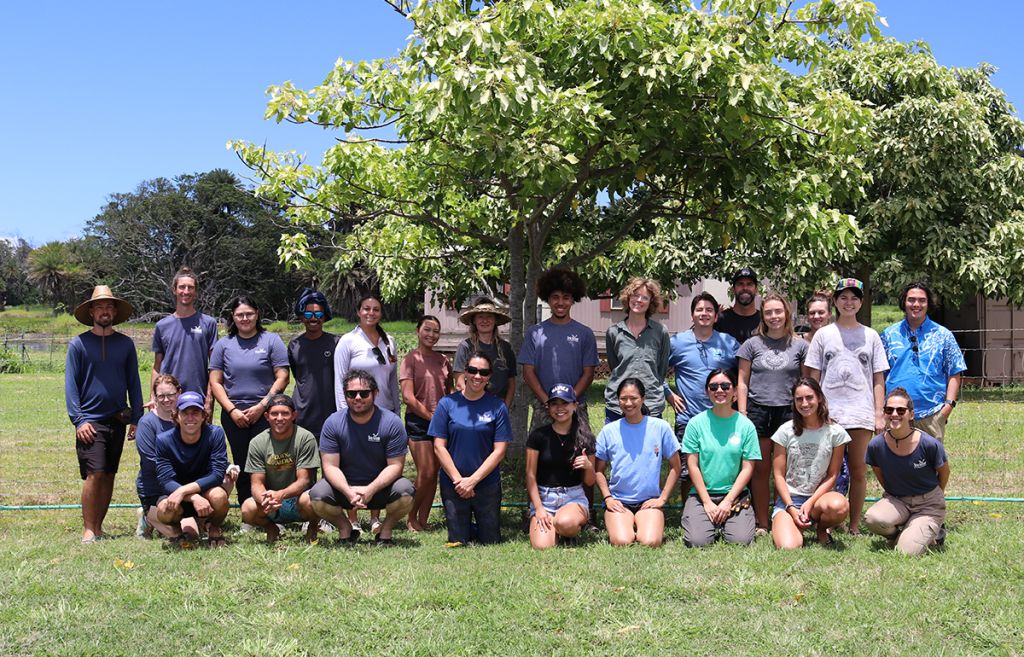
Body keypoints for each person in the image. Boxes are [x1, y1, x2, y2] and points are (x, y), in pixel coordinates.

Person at [805, 278, 887, 535]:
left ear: (861, 302)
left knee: (858, 471)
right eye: (843, 298)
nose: (848, 302)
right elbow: (814, 377)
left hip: (860, 414)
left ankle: (853, 525)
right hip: (830, 415)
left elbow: (877, 378)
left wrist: (878, 413)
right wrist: (814, 411)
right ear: (835, 302)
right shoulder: (823, 335)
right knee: (826, 470)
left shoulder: (871, 336)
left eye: (854, 298)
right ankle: (827, 520)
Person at [65, 285, 144, 544]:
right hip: (90, 420)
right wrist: (79, 420)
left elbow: (134, 382)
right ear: (91, 311)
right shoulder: (78, 344)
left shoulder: (125, 344)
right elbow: (71, 385)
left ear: (115, 311)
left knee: (109, 473)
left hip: (118, 419)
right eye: (100, 306)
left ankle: (99, 526)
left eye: (109, 306)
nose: (105, 311)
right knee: (94, 473)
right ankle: (89, 528)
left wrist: (136, 418)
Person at [309, 370, 414, 544]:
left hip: (381, 488)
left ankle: (385, 530)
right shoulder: (333, 423)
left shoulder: (392, 422)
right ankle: (345, 528)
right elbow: (330, 467)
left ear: (375, 393)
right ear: (345, 395)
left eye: (364, 393)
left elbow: (396, 466)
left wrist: (370, 489)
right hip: (344, 488)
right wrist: (348, 491)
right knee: (317, 497)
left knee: (406, 493)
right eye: (352, 393)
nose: (358, 397)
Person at [737, 292, 808, 533]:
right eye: (768, 312)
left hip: (789, 413)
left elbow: (806, 382)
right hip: (758, 411)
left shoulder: (800, 345)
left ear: (786, 314)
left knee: (786, 470)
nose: (774, 316)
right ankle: (762, 521)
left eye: (778, 311)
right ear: (763, 316)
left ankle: (785, 516)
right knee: (760, 469)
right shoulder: (751, 345)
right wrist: (744, 412)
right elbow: (743, 381)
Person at [209, 295, 290, 506]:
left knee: (270, 461)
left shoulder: (271, 341)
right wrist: (232, 410)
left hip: (266, 412)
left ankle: (274, 508)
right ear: (233, 317)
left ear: (257, 315)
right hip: (234, 413)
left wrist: (262, 406)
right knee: (242, 461)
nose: (245, 318)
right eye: (240, 315)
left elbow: (282, 376)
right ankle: (248, 507)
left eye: (249, 314)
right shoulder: (223, 345)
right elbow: (215, 382)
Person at [332, 293, 399, 532]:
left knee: (380, 464)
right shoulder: (348, 341)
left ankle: (374, 517)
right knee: (353, 464)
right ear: (358, 311)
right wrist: (344, 416)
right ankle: (352, 519)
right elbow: (340, 380)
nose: (371, 313)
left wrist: (396, 412)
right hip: (355, 414)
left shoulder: (388, 340)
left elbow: (392, 381)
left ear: (381, 313)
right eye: (366, 309)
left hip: (384, 413)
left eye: (376, 309)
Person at [431, 352, 512, 546]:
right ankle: (466, 527)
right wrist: (460, 481)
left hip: (486, 483)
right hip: (454, 484)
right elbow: (438, 447)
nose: (477, 376)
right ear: (464, 373)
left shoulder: (498, 407)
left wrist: (473, 481)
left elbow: (499, 451)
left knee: (490, 541)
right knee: (458, 540)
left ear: (489, 376)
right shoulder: (447, 404)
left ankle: (478, 527)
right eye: (473, 370)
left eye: (483, 372)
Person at [595, 379, 681, 547]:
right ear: (617, 400)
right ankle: (626, 524)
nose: (628, 403)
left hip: (649, 502)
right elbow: (598, 470)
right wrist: (608, 498)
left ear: (643, 398)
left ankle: (643, 523)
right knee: (622, 541)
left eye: (633, 398)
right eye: (623, 398)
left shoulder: (660, 427)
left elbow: (676, 467)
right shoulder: (609, 431)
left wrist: (662, 499)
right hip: (619, 501)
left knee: (650, 541)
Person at [864, 388, 949, 556]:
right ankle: (903, 533)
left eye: (901, 410)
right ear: (885, 413)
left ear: (911, 414)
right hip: (897, 500)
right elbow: (879, 472)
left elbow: (944, 472)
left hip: (928, 505)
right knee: (872, 519)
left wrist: (935, 495)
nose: (894, 414)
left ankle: (930, 532)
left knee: (906, 553)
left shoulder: (929, 444)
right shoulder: (876, 445)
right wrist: (893, 492)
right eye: (889, 410)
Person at [681, 369, 761, 547]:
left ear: (734, 392)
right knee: (697, 542)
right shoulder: (695, 423)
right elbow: (692, 466)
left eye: (726, 386)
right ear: (706, 391)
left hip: (735, 496)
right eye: (713, 386)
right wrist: (707, 502)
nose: (719, 390)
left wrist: (728, 501)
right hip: (702, 496)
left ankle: (725, 522)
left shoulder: (746, 426)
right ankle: (708, 519)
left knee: (741, 541)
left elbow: (748, 468)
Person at [769, 378, 851, 549]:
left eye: (809, 397)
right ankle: (789, 523)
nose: (804, 403)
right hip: (789, 500)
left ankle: (821, 528)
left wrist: (811, 502)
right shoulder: (784, 431)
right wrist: (790, 506)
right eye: (799, 399)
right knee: (789, 547)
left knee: (840, 506)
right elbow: (777, 475)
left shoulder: (836, 432)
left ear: (819, 398)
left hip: (820, 499)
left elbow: (833, 475)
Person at [881, 282, 966, 442]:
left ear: (929, 304)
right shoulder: (888, 335)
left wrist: (948, 407)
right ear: (904, 303)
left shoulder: (943, 335)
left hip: (932, 414)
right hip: (895, 414)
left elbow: (954, 372)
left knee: (929, 465)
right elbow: (879, 375)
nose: (916, 304)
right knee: (894, 464)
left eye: (922, 300)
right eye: (911, 300)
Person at [518, 267, 599, 432]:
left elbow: (588, 373)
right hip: (544, 406)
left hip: (576, 405)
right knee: (541, 455)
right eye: (555, 297)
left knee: (580, 453)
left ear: (573, 300)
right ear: (547, 299)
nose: (560, 303)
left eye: (566, 297)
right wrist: (548, 401)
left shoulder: (584, 333)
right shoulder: (535, 333)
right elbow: (528, 372)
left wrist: (569, 401)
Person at [242, 394, 321, 543]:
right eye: (274, 414)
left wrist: (281, 494)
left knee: (312, 501)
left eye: (285, 413)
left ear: (294, 415)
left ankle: (312, 526)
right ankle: (271, 528)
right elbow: (256, 483)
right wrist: (265, 500)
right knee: (248, 508)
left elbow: (304, 480)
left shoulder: (305, 438)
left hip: (298, 499)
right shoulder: (257, 442)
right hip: (271, 500)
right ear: (267, 416)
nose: (279, 418)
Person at [154, 392, 230, 547]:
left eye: (195, 412)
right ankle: (176, 532)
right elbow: (165, 480)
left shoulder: (215, 434)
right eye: (185, 413)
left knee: (219, 496)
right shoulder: (164, 440)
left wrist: (185, 491)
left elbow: (217, 474)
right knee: (163, 510)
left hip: (206, 492)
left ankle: (214, 528)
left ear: (204, 416)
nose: (190, 418)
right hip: (176, 494)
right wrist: (192, 497)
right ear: (176, 417)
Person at [525, 384, 596, 549]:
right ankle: (553, 529)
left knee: (565, 523)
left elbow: (590, 482)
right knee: (542, 546)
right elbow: (530, 475)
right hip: (544, 497)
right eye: (554, 403)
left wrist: (588, 466)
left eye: (565, 403)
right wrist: (539, 509)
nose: (560, 408)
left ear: (574, 405)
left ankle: (566, 528)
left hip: (573, 497)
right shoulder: (538, 436)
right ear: (548, 407)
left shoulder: (585, 438)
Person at [665, 292, 741, 443]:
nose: (704, 313)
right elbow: (655, 371)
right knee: (687, 465)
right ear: (692, 315)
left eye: (709, 310)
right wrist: (668, 394)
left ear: (716, 316)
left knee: (719, 466)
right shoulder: (677, 342)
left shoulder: (729, 343)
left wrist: (738, 392)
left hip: (722, 418)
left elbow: (745, 372)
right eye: (699, 310)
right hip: (687, 418)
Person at [400, 315, 452, 532]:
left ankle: (423, 519)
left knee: (435, 474)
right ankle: (410, 517)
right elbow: (408, 397)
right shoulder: (410, 359)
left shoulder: (443, 360)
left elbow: (449, 393)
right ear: (418, 331)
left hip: (441, 423)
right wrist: (432, 417)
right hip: (419, 422)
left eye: (436, 331)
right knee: (426, 471)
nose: (431, 335)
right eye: (427, 330)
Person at [604, 277, 671, 423]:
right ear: (628, 298)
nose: (639, 300)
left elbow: (661, 369)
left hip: (651, 403)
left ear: (650, 303)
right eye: (635, 295)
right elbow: (615, 366)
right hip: (618, 405)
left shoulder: (660, 332)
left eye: (645, 297)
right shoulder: (613, 332)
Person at [150, 266, 218, 407]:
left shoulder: (208, 323)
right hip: (168, 397)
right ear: (174, 290)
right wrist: (153, 397)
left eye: (190, 287)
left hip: (198, 397)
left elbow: (214, 366)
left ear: (196, 292)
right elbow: (157, 366)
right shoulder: (162, 326)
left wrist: (210, 399)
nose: (186, 291)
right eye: (182, 287)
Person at [287, 288, 341, 439]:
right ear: (302, 317)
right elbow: (297, 375)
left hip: (331, 411)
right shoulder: (294, 345)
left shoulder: (336, 343)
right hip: (303, 412)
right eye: (308, 314)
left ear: (324, 317)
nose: (313, 318)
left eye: (318, 314)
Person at [135, 374, 183, 539]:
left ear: (179, 393)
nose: (166, 399)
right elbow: (151, 462)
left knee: (193, 534)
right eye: (161, 396)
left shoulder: (188, 419)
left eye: (170, 394)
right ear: (154, 397)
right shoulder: (147, 423)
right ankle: (148, 516)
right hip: (156, 486)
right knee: (178, 535)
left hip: (183, 482)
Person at [453, 298, 517, 409]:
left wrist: (504, 409)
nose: (485, 321)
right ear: (474, 320)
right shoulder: (465, 347)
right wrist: (475, 406)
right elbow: (459, 383)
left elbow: (511, 383)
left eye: (489, 317)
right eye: (480, 317)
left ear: (495, 320)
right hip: (472, 407)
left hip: (498, 406)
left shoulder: (505, 348)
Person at [715, 267, 761, 344]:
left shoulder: (764, 321)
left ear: (756, 290)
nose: (745, 288)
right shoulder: (720, 320)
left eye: (749, 284)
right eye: (740, 284)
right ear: (733, 289)